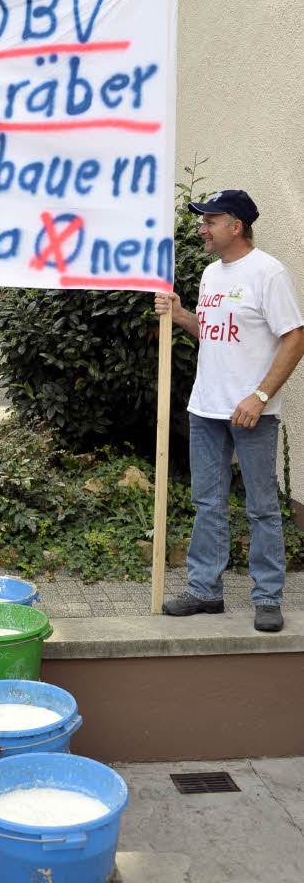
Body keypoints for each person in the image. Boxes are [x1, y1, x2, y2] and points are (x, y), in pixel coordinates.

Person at [155, 189, 304, 632]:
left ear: (235, 226)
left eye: (209, 221)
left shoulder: (269, 273)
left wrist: (259, 397)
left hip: (251, 413)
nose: (202, 228)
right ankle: (205, 592)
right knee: (208, 504)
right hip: (206, 408)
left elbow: (294, 339)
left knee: (261, 507)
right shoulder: (210, 274)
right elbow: (215, 331)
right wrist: (182, 315)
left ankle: (267, 597)